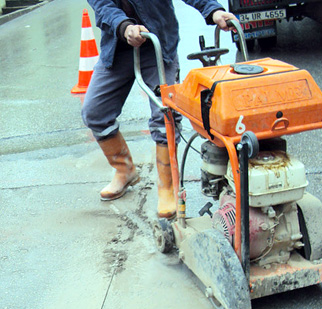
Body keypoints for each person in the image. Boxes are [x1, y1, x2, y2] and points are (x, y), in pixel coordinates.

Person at [82, 0, 236, 218]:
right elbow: (103, 5)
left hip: (158, 45)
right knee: (94, 112)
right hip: (118, 47)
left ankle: (166, 186)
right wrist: (124, 26)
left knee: (165, 115)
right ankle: (124, 170)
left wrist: (214, 10)